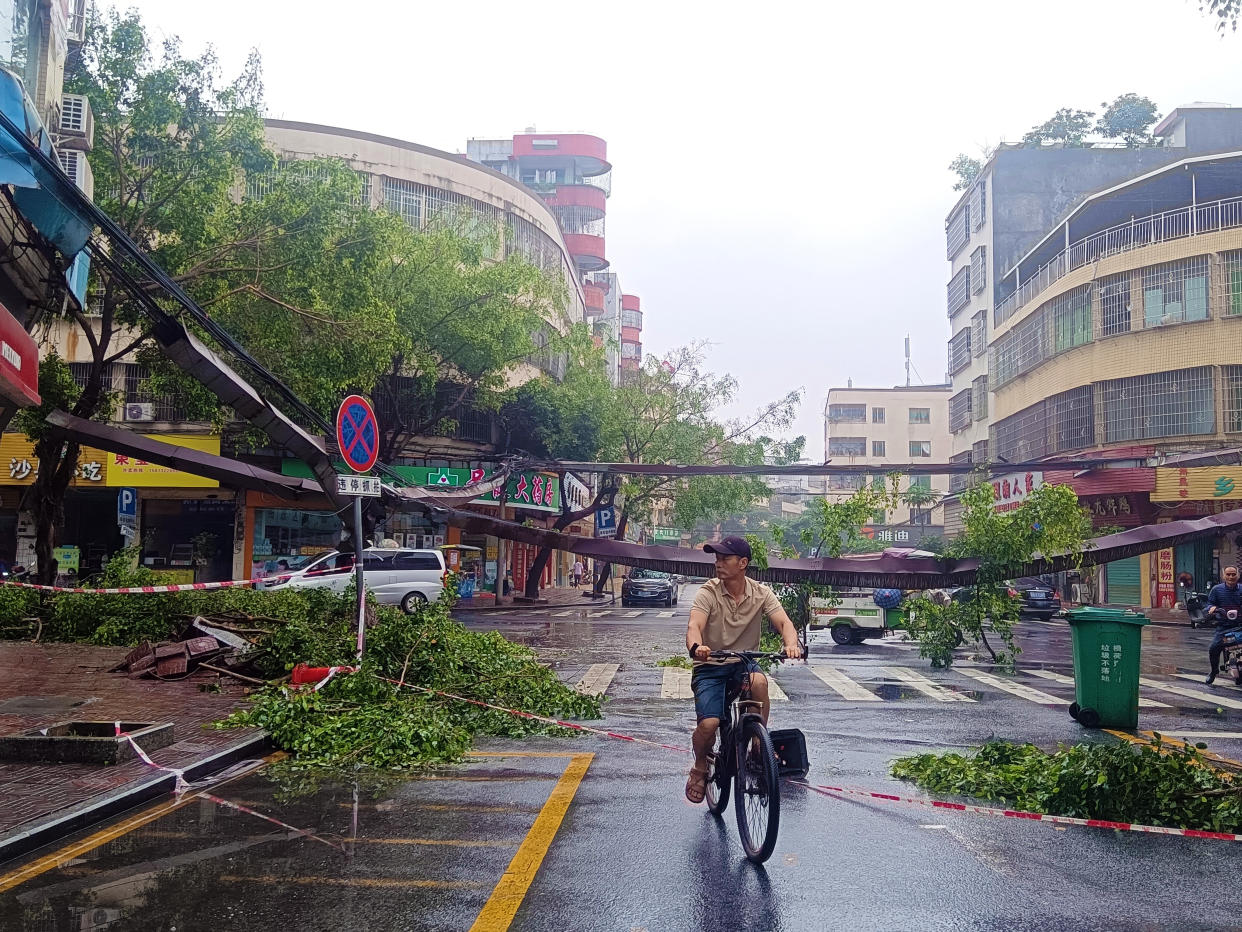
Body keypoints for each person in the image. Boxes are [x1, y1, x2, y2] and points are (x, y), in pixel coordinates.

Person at [684, 536, 802, 803]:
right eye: (717, 558)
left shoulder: (761, 593)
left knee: (760, 683)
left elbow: (784, 622)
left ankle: (758, 744)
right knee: (709, 723)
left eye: (725, 558)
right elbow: (694, 625)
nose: (718, 563)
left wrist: (791, 645)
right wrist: (697, 646)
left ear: (743, 563)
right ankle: (700, 766)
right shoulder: (708, 592)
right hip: (711, 665)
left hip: (743, 662)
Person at [1205, 565, 1242, 684]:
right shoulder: (1216, 590)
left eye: (1233, 574)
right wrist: (1212, 608)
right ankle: (1214, 671)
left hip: (1240, 626)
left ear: (1238, 575)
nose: (1231, 577)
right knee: (1214, 648)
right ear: (1223, 576)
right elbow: (1209, 604)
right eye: (1228, 574)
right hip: (1223, 627)